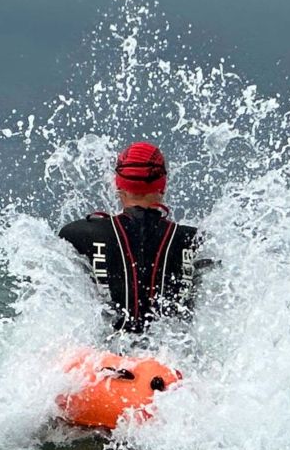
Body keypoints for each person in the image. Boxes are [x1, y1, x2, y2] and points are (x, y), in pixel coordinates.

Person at [58, 142, 200, 334]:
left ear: (118, 186)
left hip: (104, 359)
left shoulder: (78, 235)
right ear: (162, 186)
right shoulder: (194, 240)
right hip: (170, 357)